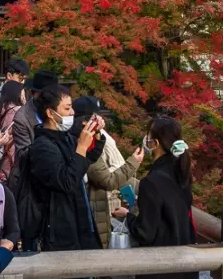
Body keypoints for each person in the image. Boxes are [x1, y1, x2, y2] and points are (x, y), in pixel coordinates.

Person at [27, 85, 105, 251]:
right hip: (58, 227)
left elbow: (85, 161)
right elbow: (66, 181)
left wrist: (96, 135)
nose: (72, 113)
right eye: (67, 108)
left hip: (80, 218)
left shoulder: (66, 138)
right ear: (50, 113)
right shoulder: (42, 147)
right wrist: (81, 147)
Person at [125, 117, 196, 279]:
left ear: (155, 143)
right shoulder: (181, 172)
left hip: (161, 265)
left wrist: (128, 217)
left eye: (148, 136)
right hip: (186, 260)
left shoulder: (151, 182)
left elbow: (145, 232)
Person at [71, 96, 143, 249]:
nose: (101, 121)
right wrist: (133, 162)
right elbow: (107, 180)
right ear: (85, 121)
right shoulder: (83, 143)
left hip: (98, 210)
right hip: (92, 214)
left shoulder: (97, 138)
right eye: (96, 117)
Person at [10, 70, 57, 191]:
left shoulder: (59, 112)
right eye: (43, 95)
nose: (46, 99)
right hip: (31, 180)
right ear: (33, 92)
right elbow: (23, 154)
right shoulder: (22, 118)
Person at [0, 81, 25, 182]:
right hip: (13, 154)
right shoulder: (18, 111)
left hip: (3, 152)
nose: (24, 97)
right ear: (17, 94)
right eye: (22, 94)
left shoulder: (0, 110)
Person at [0, 57, 28, 123]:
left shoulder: (19, 91)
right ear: (9, 76)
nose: (23, 82)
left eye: (24, 79)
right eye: (20, 79)